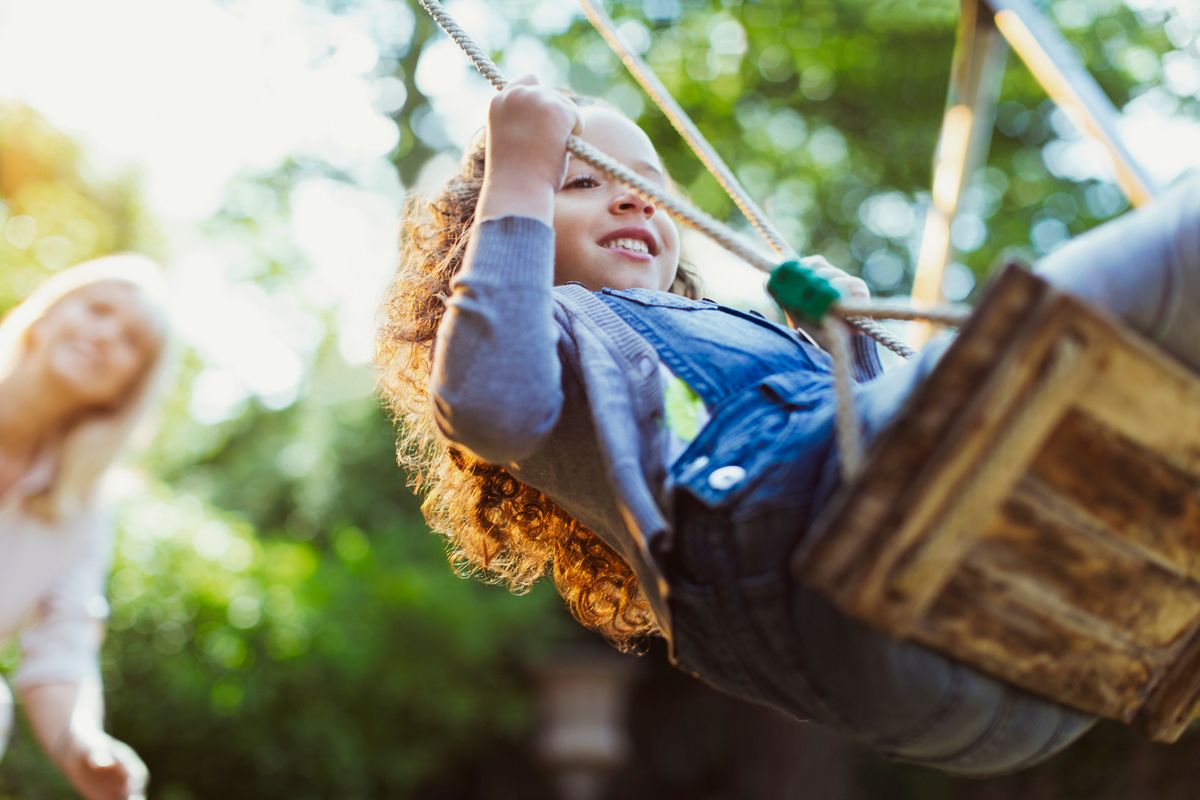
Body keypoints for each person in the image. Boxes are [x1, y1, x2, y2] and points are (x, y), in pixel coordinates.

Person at [375, 76, 1200, 776]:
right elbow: (488, 405)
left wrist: (846, 346)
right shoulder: (553, 334)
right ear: (494, 239)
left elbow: (950, 446)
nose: (629, 194)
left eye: (645, 183)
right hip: (837, 584)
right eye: (578, 180)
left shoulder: (719, 343)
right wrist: (515, 162)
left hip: (1028, 674)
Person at [0, 255, 169, 800]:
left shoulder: (82, 506)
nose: (104, 337)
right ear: (47, 315)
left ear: (126, 389)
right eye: (97, 310)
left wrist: (80, 742)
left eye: (130, 342)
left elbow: (63, 643)